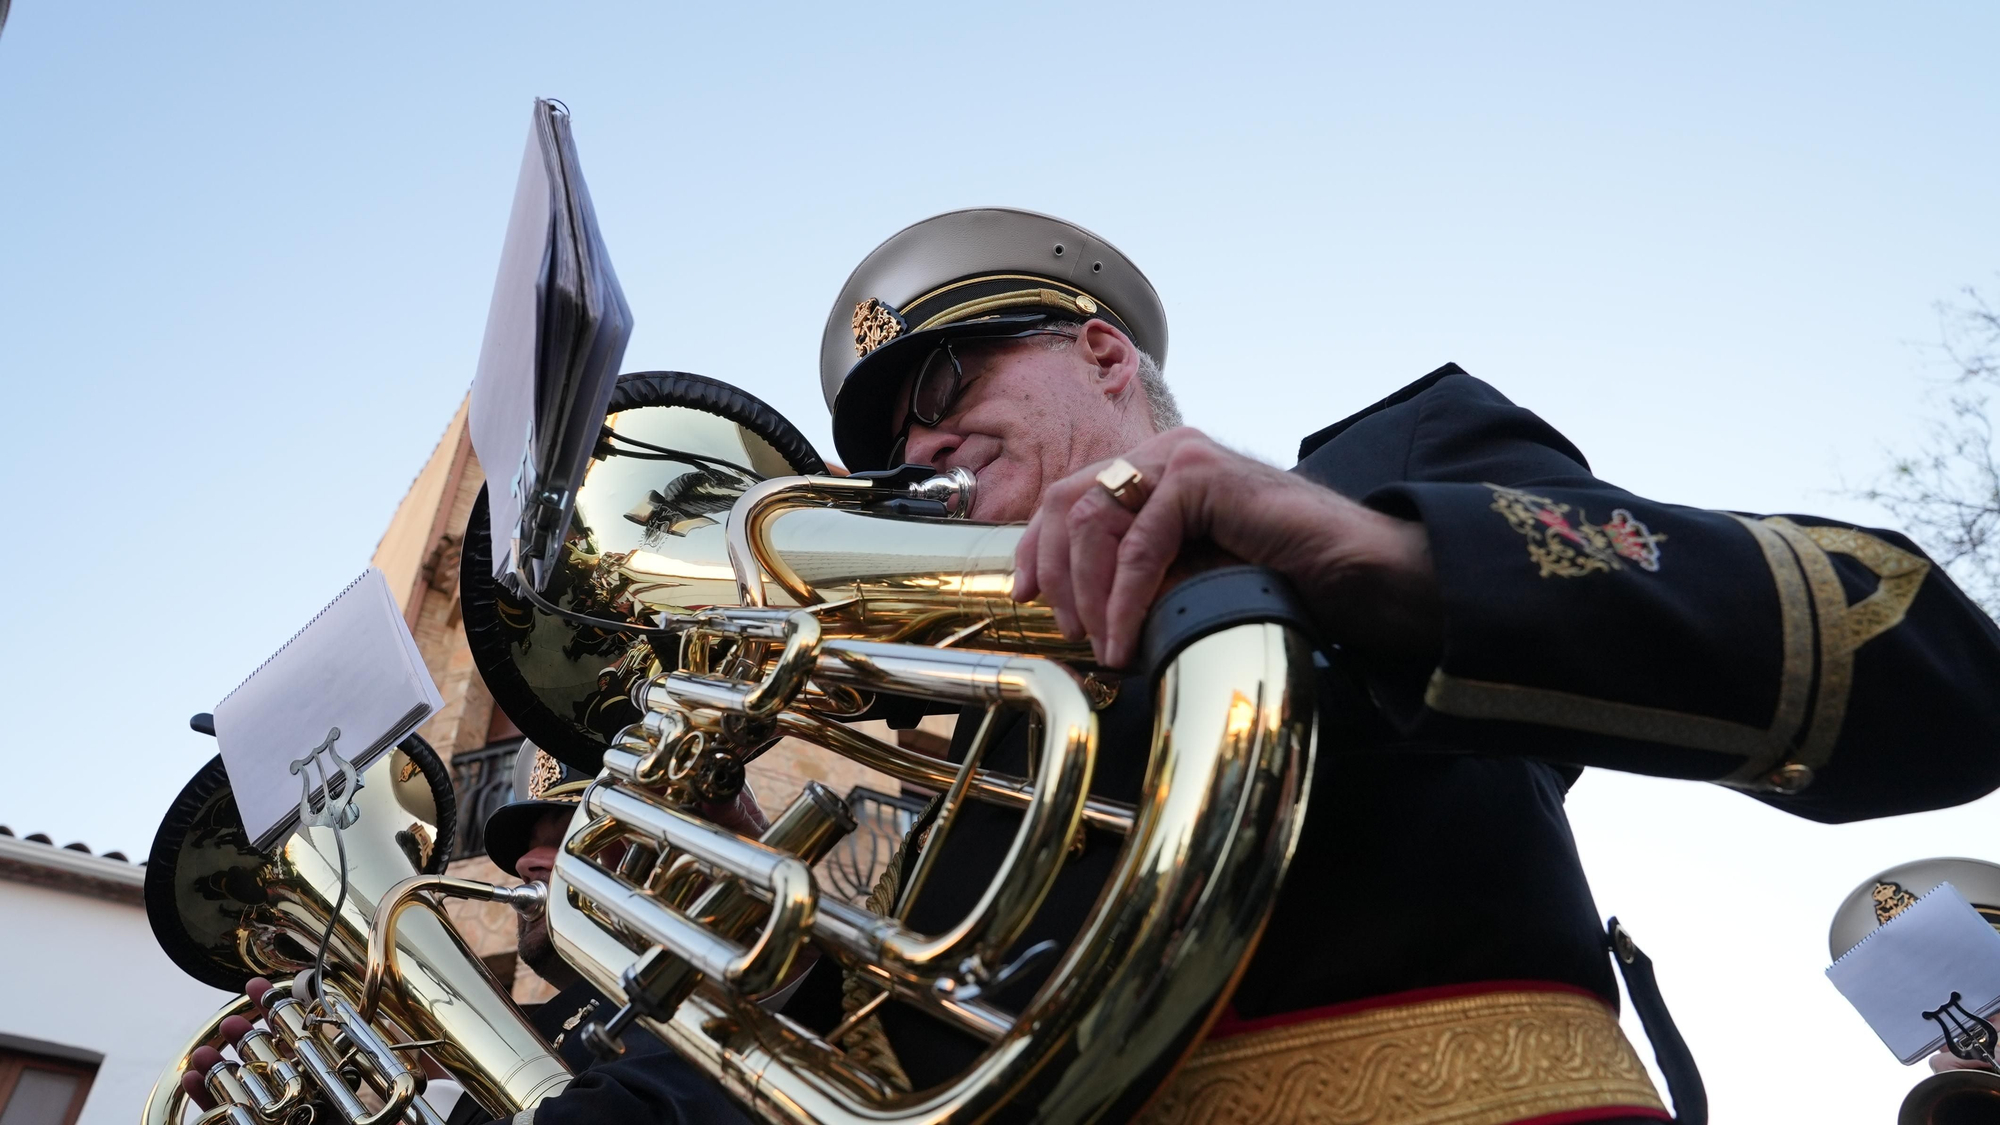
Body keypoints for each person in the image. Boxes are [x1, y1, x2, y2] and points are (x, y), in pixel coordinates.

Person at [802, 207, 2000, 1123]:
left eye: (944, 384)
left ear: (1103, 353)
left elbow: (1916, 668)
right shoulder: (919, 724)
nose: (918, 444)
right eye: (888, 441)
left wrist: (1380, 554)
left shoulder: (1388, 467)